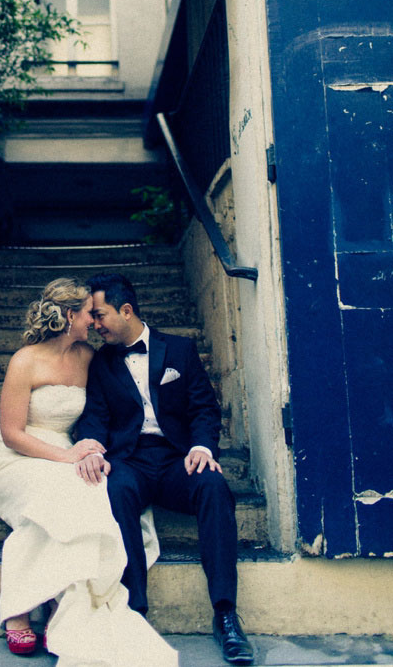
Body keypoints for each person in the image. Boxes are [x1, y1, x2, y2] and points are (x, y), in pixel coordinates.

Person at [0, 277, 178, 667]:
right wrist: (67, 456)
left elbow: (104, 411)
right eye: (89, 313)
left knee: (89, 491)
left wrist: (91, 447)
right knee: (53, 499)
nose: (94, 321)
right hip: (18, 458)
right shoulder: (26, 360)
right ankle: (19, 610)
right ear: (70, 315)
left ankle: (68, 600)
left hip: (66, 452)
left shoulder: (89, 357)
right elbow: (11, 434)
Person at [75, 272, 254, 666]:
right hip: (129, 460)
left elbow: (204, 408)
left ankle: (225, 614)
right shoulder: (101, 362)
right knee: (113, 488)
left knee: (213, 486)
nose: (95, 324)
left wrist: (203, 446)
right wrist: (89, 447)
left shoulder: (180, 349)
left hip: (177, 458)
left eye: (100, 315)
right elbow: (94, 415)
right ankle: (133, 609)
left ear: (126, 310)